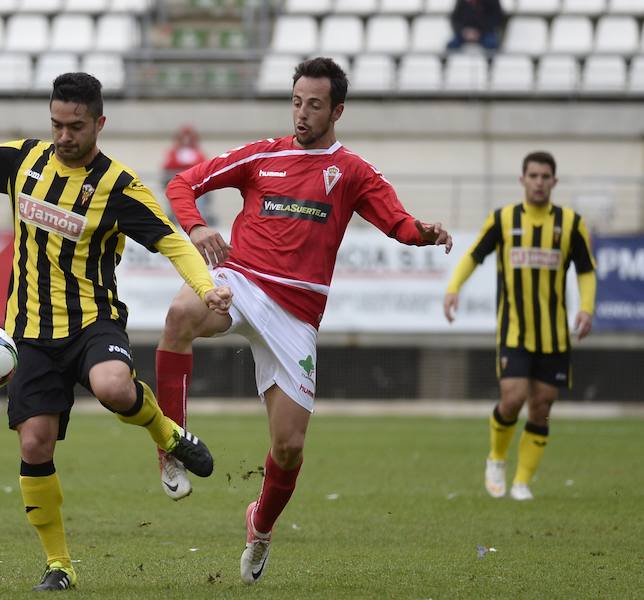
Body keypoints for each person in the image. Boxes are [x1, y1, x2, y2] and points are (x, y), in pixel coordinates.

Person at [0, 72, 232, 592]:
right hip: (27, 333)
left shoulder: (118, 186)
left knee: (114, 387)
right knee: (34, 442)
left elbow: (171, 241)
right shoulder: (25, 160)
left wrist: (205, 287)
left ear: (99, 123)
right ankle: (59, 565)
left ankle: (167, 435)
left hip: (92, 321)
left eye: (75, 126)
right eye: (56, 124)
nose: (63, 136)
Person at [153, 57, 452, 584]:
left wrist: (423, 232)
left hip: (295, 314)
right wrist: (197, 228)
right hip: (239, 281)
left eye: (314, 105)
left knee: (288, 448)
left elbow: (397, 222)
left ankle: (260, 526)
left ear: (337, 109)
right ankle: (171, 444)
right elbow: (183, 184)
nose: (302, 113)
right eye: (296, 102)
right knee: (179, 314)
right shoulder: (262, 156)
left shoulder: (353, 171)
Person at [444, 151, 596, 501]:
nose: (539, 182)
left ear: (554, 182)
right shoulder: (504, 219)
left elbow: (587, 270)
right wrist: (453, 289)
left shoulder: (571, 224)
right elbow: (474, 256)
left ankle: (522, 481)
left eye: (545, 177)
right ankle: (497, 458)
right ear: (523, 180)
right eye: (533, 176)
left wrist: (586, 308)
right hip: (514, 331)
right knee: (512, 399)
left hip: (554, 334)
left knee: (542, 405)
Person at [162, 125, 214, 226]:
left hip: (196, 186)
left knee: (198, 206)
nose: (186, 140)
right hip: (177, 185)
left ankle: (199, 224)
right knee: (176, 205)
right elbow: (168, 165)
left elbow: (203, 166)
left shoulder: (198, 152)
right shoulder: (174, 152)